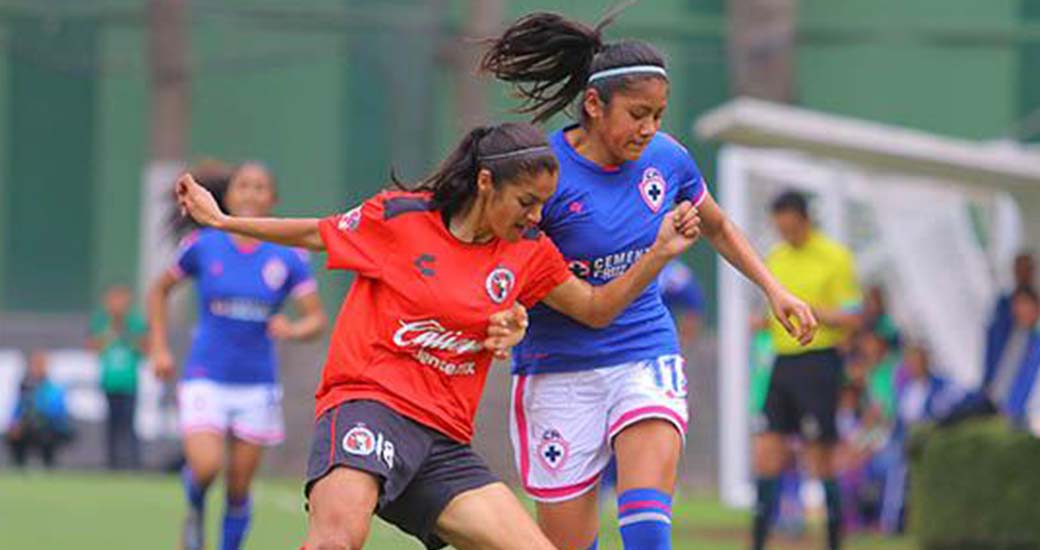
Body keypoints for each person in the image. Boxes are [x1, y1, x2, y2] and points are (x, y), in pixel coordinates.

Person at [174, 122, 703, 550]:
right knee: (337, 540)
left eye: (544, 203)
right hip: (368, 407)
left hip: (443, 442)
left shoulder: (529, 251)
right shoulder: (400, 218)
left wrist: (657, 253)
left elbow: (593, 308)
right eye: (526, 201)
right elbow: (316, 232)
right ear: (486, 183)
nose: (536, 216)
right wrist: (223, 222)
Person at [480, 13, 816, 550]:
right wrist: (505, 314)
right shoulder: (545, 175)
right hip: (556, 370)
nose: (649, 129)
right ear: (594, 105)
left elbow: (718, 225)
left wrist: (775, 290)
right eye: (638, 114)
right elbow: (555, 290)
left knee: (647, 532)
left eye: (658, 115)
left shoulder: (667, 160)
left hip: (642, 354)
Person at [148, 161, 328, 550]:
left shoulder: (289, 255)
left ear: (273, 199)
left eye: (260, 187)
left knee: (239, 488)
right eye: (243, 186)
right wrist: (159, 348)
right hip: (206, 375)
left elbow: (316, 320)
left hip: (257, 384)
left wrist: (293, 329)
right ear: (228, 196)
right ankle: (194, 510)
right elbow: (159, 291)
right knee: (206, 467)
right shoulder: (203, 244)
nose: (250, 193)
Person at [751, 190, 863, 550]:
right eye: (780, 229)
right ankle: (757, 542)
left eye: (790, 228)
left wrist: (813, 311)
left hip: (819, 362)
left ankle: (833, 542)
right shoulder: (776, 257)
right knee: (766, 454)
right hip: (782, 363)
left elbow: (853, 316)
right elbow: (773, 312)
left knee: (820, 459)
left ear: (805, 220)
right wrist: (764, 322)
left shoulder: (835, 257)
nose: (785, 235)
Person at [87, 284, 148, 470]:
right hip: (110, 382)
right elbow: (94, 348)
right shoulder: (101, 322)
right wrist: (111, 330)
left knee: (129, 424)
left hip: (129, 382)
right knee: (111, 425)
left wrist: (125, 332)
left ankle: (133, 463)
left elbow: (144, 348)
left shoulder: (135, 322)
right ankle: (112, 464)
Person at [5, 351, 73, 469]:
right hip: (28, 427)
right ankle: (19, 468)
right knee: (14, 433)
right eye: (34, 365)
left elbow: (56, 411)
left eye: (40, 365)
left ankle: (49, 466)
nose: (36, 369)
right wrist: (14, 424)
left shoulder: (52, 387)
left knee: (45, 434)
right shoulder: (25, 387)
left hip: (49, 427)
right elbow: (18, 409)